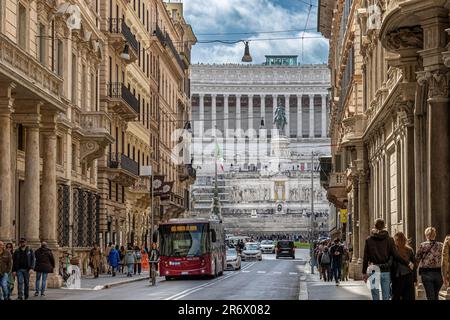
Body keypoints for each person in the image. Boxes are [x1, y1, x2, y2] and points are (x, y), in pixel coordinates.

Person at [362, 219, 413, 300]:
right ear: (384, 226)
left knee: (375, 296)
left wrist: (364, 272)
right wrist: (407, 263)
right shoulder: (389, 239)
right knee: (386, 296)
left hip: (374, 270)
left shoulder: (369, 240)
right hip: (386, 271)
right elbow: (395, 255)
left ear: (374, 226)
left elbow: (366, 257)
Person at [416, 227, 444, 300]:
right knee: (436, 295)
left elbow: (417, 259)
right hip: (439, 274)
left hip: (426, 274)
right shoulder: (441, 245)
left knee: (430, 296)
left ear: (426, 235)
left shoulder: (423, 245)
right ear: (435, 235)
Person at [391, 232, 416, 300]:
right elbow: (414, 265)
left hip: (398, 277)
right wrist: (415, 279)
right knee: (408, 297)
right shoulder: (410, 250)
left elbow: (391, 265)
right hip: (408, 276)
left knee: (396, 296)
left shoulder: (394, 251)